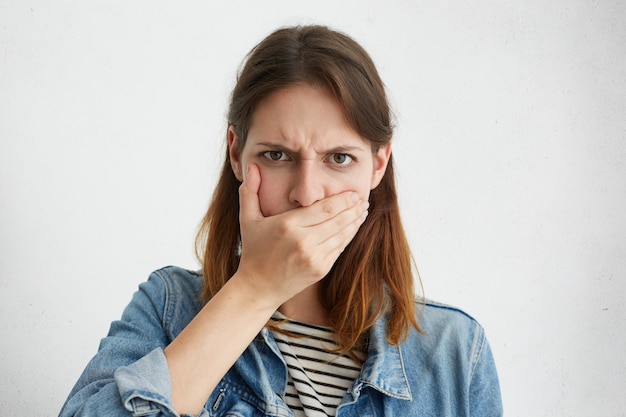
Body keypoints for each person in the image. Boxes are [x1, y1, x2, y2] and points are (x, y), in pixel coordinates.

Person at [59, 25, 502, 417]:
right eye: (277, 156)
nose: (306, 192)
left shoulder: (456, 352)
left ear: (377, 166)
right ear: (236, 152)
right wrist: (256, 288)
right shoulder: (167, 308)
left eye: (340, 158)